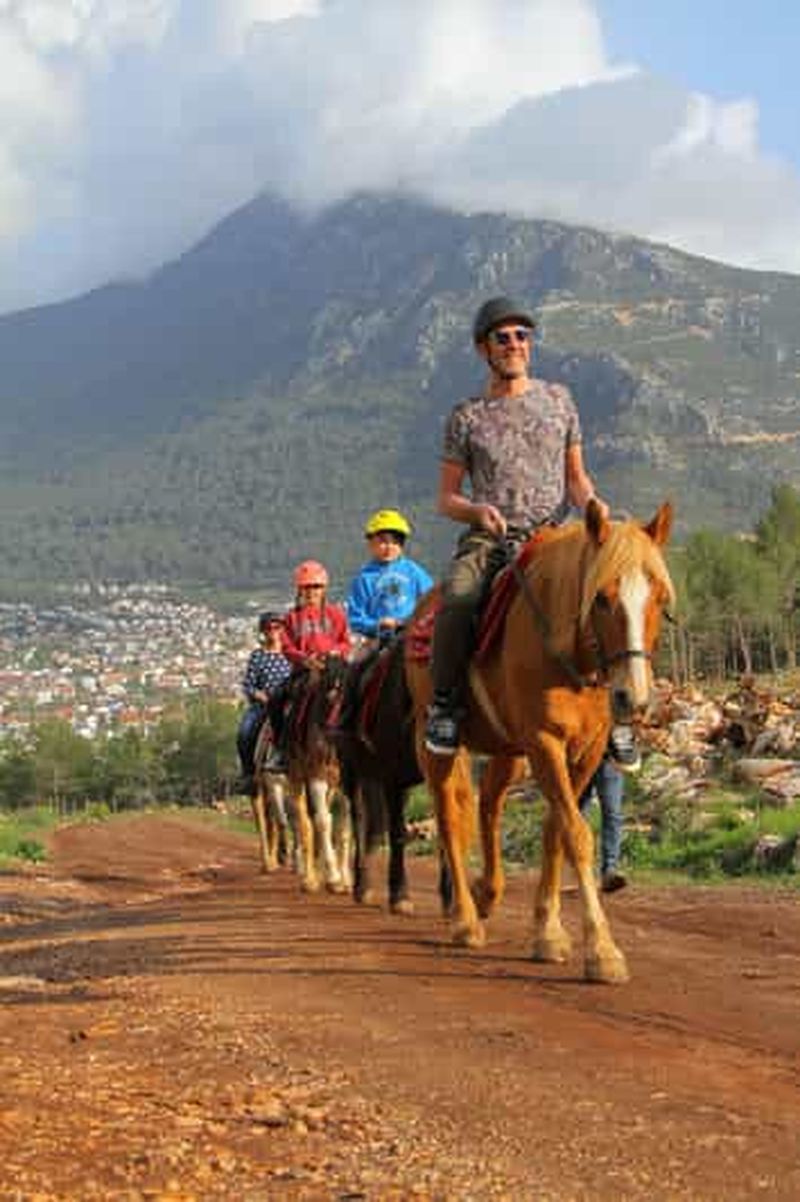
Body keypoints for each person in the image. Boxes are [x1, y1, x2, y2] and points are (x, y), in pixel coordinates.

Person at [425, 294, 639, 771]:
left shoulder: (559, 400)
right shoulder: (466, 416)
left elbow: (576, 478)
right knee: (458, 596)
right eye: (502, 338)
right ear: (483, 349)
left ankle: (621, 715)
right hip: (493, 537)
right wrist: (478, 512)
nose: (515, 344)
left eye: (522, 336)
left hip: (556, 534)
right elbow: (446, 498)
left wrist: (592, 504)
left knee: (618, 597)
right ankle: (445, 705)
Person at [264, 559, 350, 773]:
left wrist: (335, 653)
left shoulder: (336, 614)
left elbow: (345, 642)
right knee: (276, 700)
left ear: (324, 588)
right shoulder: (291, 618)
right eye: (307, 587)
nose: (312, 591)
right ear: (299, 589)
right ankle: (280, 750)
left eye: (316, 586)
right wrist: (305, 659)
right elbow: (286, 646)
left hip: (333, 669)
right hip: (303, 671)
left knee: (354, 694)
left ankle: (356, 744)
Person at [346, 508, 433, 650]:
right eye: (383, 542)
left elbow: (431, 597)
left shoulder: (413, 570)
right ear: (370, 543)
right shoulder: (364, 578)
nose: (389, 547)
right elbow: (355, 618)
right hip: (378, 640)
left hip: (411, 634)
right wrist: (378, 624)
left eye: (395, 542)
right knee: (357, 666)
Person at [236, 611, 292, 793]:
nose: (273, 631)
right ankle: (248, 774)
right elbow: (249, 685)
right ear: (263, 631)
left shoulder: (292, 653)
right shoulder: (258, 656)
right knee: (244, 732)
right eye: (269, 628)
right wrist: (261, 696)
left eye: (277, 627)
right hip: (265, 705)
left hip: (291, 702)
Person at [579, 755, 627, 893]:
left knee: (613, 814)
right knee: (578, 813)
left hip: (609, 759)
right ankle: (582, 870)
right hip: (579, 760)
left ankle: (609, 871)